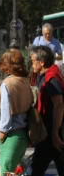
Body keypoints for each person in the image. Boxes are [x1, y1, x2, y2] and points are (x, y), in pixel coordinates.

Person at [0, 49, 33, 175]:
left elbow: (6, 112)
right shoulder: (24, 82)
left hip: (11, 135)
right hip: (23, 134)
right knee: (15, 172)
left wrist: (2, 134)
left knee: (5, 172)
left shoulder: (8, 84)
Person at [29, 46, 64, 176]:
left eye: (33, 60)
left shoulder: (52, 79)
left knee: (38, 167)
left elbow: (59, 106)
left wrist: (55, 132)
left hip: (53, 131)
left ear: (42, 62)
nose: (31, 64)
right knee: (38, 166)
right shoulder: (44, 76)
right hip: (48, 130)